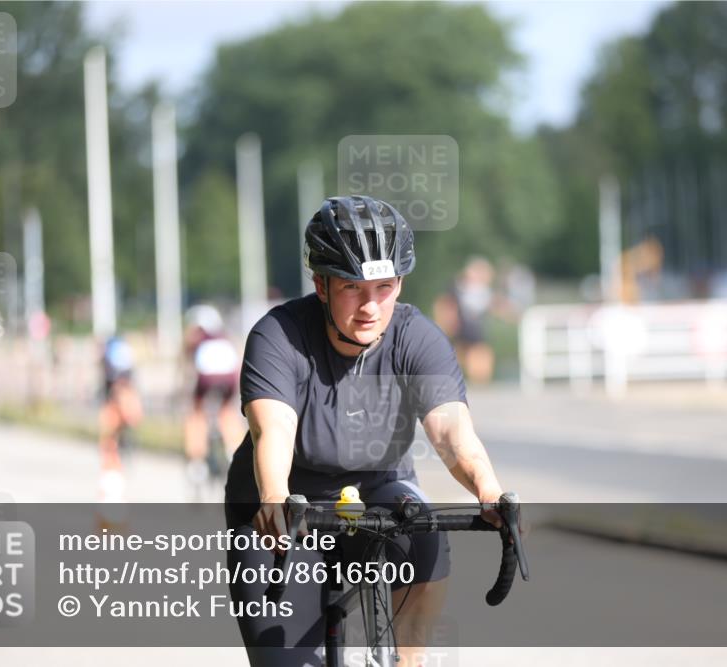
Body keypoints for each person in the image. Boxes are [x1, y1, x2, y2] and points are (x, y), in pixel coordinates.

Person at [224, 195, 506, 666]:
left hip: (375, 490)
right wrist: (273, 494)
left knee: (425, 530)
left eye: (385, 287)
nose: (372, 306)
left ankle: (407, 662)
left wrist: (488, 488)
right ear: (321, 284)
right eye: (354, 288)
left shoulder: (416, 337)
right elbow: (273, 428)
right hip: (283, 509)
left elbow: (452, 432)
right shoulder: (278, 336)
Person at [182, 304, 245, 494]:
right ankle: (233, 449)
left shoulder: (196, 338)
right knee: (226, 410)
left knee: (197, 412)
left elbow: (187, 367)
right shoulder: (225, 338)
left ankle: (197, 462)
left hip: (206, 378)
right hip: (229, 378)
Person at [433, 256, 497, 384]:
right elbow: (446, 305)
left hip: (474, 328)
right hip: (463, 326)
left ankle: (478, 379)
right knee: (467, 353)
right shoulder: (458, 288)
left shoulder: (479, 290)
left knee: (476, 353)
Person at [98, 335, 143, 475]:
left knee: (111, 419)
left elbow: (105, 378)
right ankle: (121, 438)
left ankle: (114, 445)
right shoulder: (125, 351)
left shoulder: (109, 352)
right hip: (125, 384)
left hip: (116, 385)